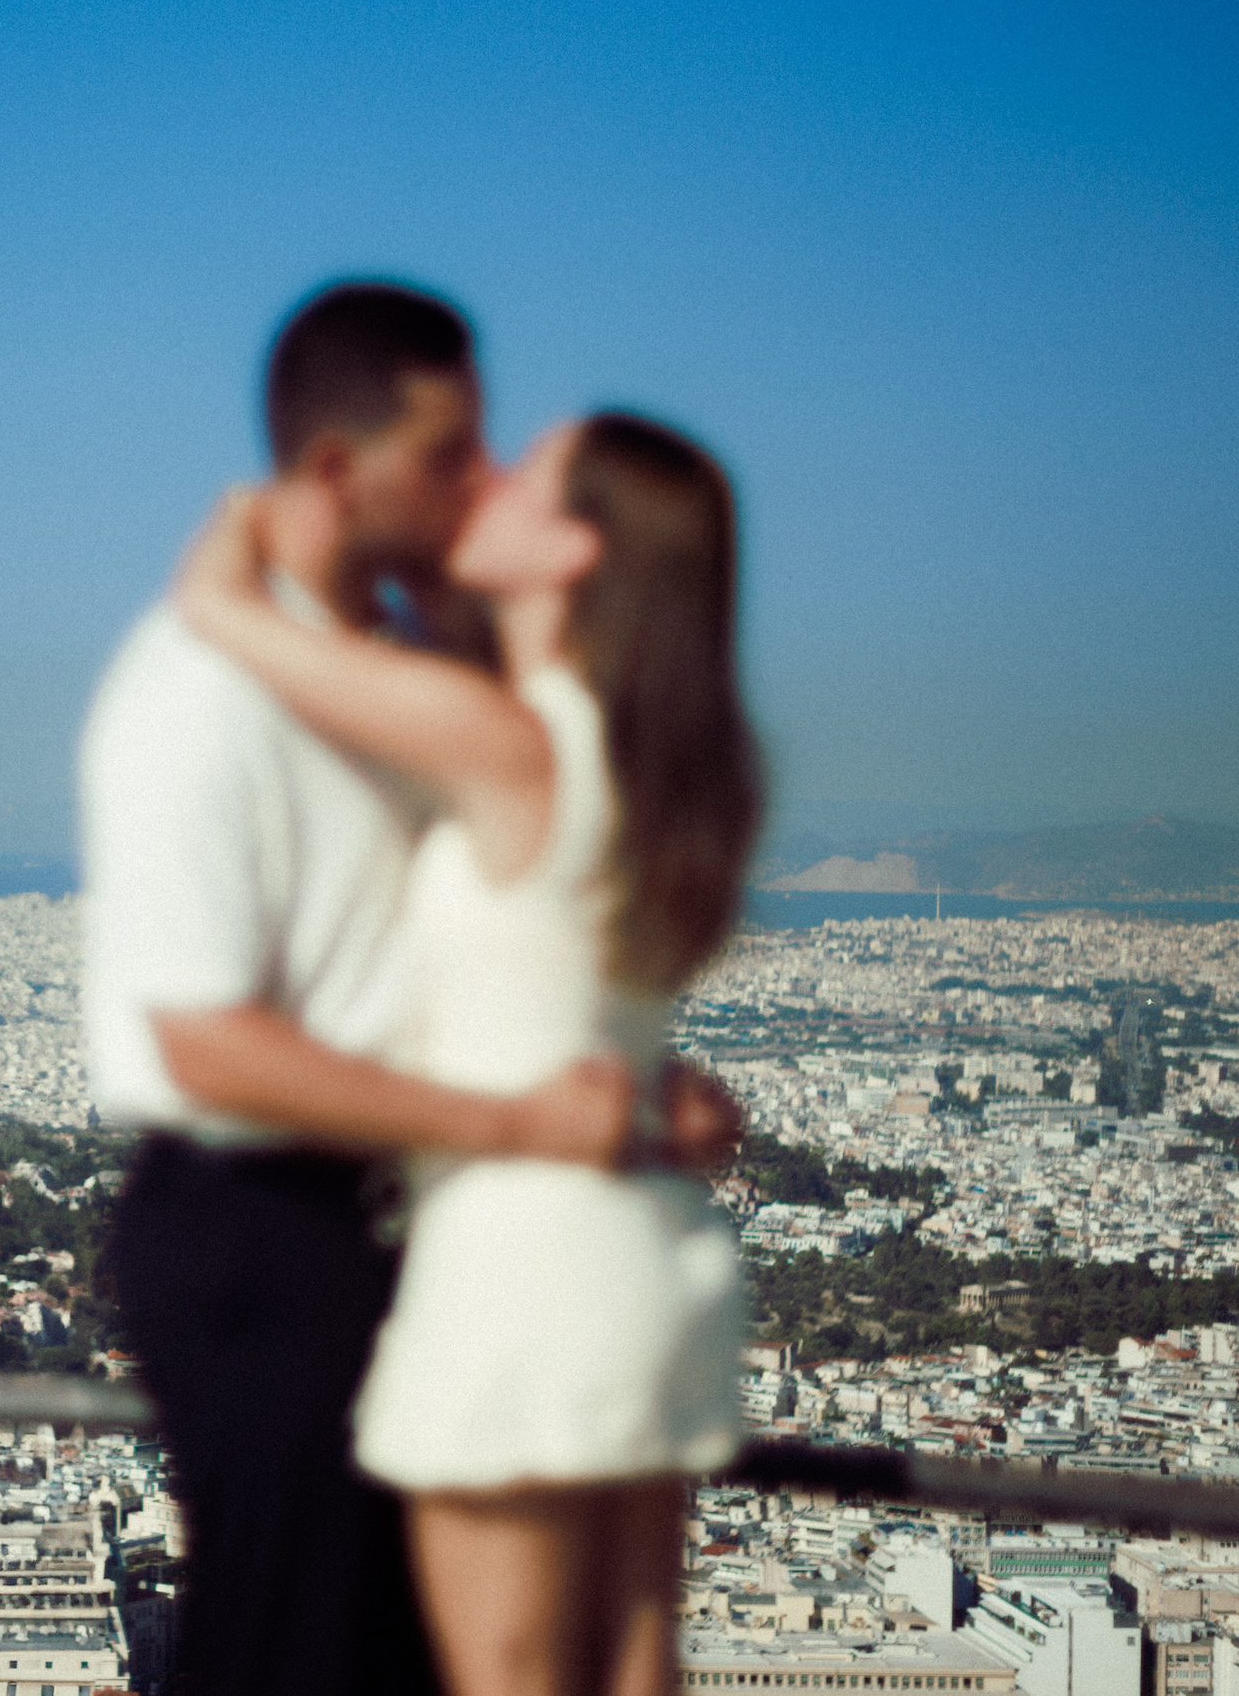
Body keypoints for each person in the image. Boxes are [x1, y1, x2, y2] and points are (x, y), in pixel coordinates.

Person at [79, 281, 742, 1696]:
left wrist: (224, 573)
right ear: (337, 468)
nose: (481, 482)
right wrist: (561, 1116)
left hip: (455, 1228)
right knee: (335, 1650)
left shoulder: (437, 694)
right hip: (284, 1228)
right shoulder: (208, 693)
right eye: (454, 455)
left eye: (505, 461)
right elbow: (201, 1041)